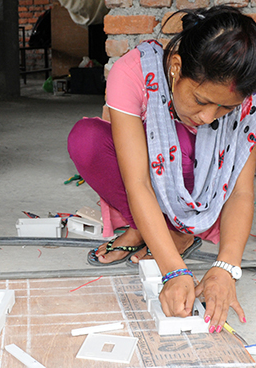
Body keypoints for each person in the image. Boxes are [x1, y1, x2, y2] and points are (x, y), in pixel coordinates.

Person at [67, 6, 256, 333]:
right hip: (150, 179)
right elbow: (137, 181)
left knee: (188, 145)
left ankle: (175, 231)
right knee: (88, 140)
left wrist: (226, 268)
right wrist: (174, 271)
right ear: (176, 68)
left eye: (226, 107)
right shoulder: (134, 71)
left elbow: (240, 191)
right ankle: (163, 234)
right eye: (200, 99)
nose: (209, 117)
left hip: (207, 195)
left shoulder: (248, 96)